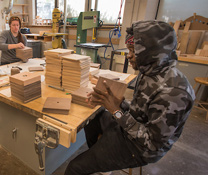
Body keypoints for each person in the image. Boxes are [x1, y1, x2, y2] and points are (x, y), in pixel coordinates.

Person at [65, 20, 195, 174]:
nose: (129, 56)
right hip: (130, 130)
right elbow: (140, 111)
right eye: (129, 50)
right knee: (93, 117)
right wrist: (120, 103)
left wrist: (116, 110)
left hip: (140, 148)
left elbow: (152, 144)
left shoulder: (173, 93)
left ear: (152, 52)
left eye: (134, 51)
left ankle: (99, 159)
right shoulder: (150, 71)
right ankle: (100, 160)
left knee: (74, 168)